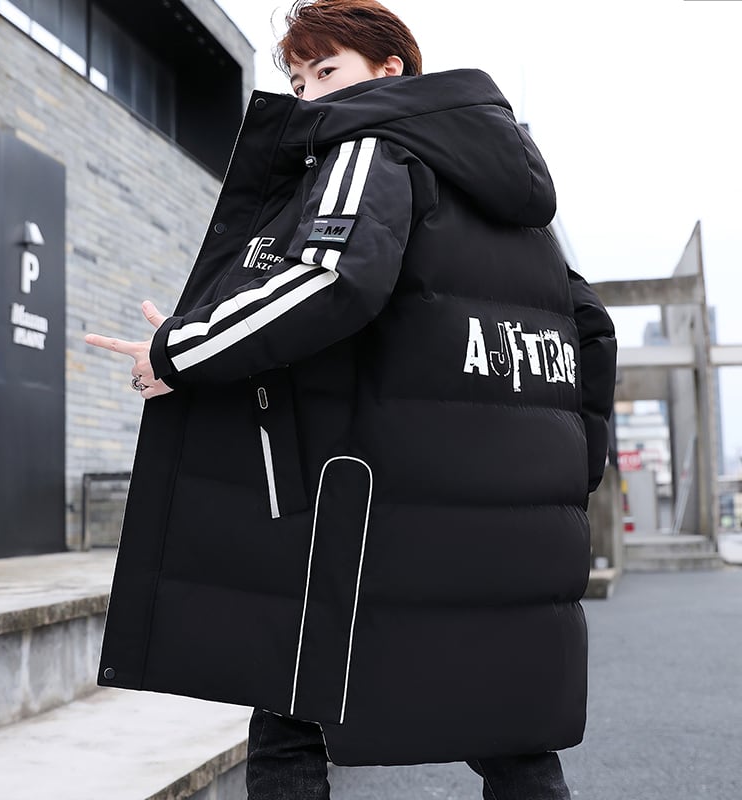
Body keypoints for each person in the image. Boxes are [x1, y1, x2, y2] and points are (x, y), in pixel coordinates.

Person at [85, 1, 617, 798]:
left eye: (327, 70)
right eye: (299, 82)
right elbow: (591, 330)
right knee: (512, 733)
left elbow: (329, 280)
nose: (310, 96)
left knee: (291, 712)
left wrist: (180, 351)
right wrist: (574, 471)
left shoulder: (370, 146)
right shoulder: (517, 207)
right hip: (509, 524)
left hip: (374, 510)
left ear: (389, 69)